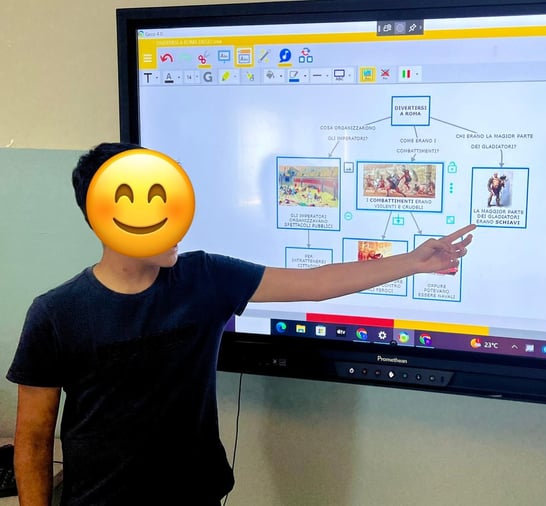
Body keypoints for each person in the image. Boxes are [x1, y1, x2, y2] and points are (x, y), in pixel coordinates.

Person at [6, 142, 476, 506]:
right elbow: (33, 438)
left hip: (196, 493)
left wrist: (412, 261)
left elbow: (315, 283)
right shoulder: (56, 314)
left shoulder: (205, 277)